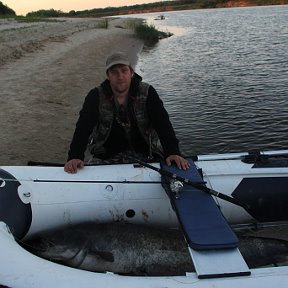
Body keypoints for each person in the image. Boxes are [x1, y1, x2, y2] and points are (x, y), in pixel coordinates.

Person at [64, 52, 189, 173]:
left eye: (124, 71)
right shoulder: (95, 96)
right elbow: (83, 127)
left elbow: (163, 124)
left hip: (146, 153)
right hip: (106, 155)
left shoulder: (148, 92)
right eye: (114, 72)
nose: (120, 77)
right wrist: (75, 156)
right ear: (108, 75)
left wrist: (173, 152)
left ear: (131, 73)